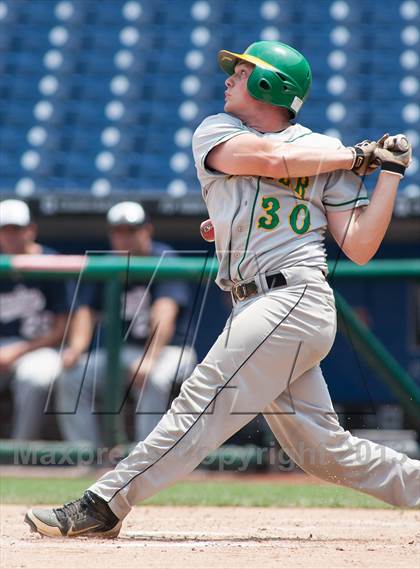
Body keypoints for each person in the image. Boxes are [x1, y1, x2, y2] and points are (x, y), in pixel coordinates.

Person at [25, 41, 419, 538]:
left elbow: (359, 246)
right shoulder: (218, 131)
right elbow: (271, 159)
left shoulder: (326, 152)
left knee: (200, 402)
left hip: (292, 297)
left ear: (270, 86)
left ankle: (103, 503)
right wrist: (355, 154)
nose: (230, 78)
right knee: (325, 454)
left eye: (242, 71)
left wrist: (389, 174)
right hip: (253, 304)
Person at [55, 201, 197, 445]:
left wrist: (150, 358)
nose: (124, 238)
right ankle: (87, 455)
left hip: (171, 351)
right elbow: (87, 312)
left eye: (131, 231)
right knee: (72, 376)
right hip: (123, 353)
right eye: (118, 232)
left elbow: (165, 314)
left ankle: (145, 460)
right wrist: (77, 348)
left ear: (146, 230)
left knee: (154, 378)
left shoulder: (165, 259)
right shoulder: (108, 263)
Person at [0, 199, 68, 440]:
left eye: (16, 229)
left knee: (34, 379)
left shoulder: (51, 262)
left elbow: (62, 328)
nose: (10, 236)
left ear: (31, 230)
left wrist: (19, 350)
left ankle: (18, 453)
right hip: (3, 346)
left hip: (40, 347)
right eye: (4, 230)